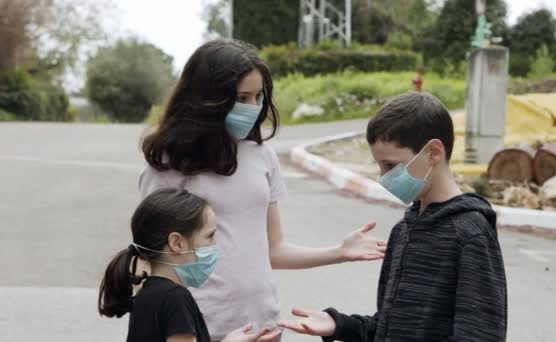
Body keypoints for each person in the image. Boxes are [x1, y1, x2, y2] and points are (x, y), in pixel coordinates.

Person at [139, 39, 387, 341]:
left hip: (262, 325)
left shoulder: (261, 156)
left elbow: (274, 250)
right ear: (207, 98)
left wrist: (339, 253)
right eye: (242, 97)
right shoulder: (167, 165)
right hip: (197, 330)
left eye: (258, 97)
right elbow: (156, 262)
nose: (253, 108)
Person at [278, 92, 508, 342]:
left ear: (433, 152)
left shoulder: (470, 233)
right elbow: (387, 328)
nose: (383, 177)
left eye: (390, 166)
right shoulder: (404, 231)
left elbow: (481, 335)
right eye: (379, 166)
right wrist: (340, 325)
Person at [98, 188, 281, 342]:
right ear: (177, 243)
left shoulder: (147, 293)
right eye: (209, 236)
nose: (214, 245)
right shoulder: (176, 299)